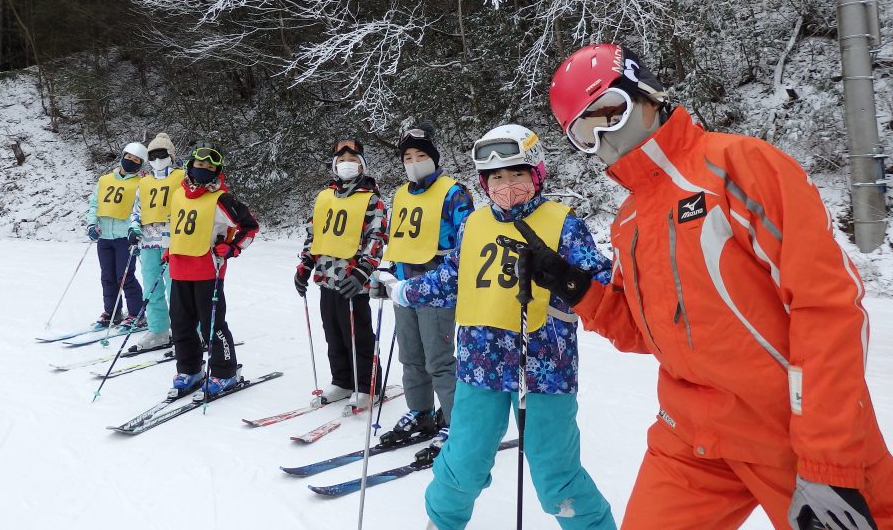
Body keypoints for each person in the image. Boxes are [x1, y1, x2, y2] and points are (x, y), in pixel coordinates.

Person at [533, 43, 893, 529]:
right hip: (690, 440)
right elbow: (648, 331)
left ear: (646, 94)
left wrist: (829, 457)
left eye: (610, 113)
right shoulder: (629, 219)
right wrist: (578, 289)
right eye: (583, 132)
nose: (603, 138)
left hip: (789, 433)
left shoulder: (738, 166)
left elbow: (827, 306)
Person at [378, 125, 616, 530]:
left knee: (555, 473)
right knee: (464, 462)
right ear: (484, 182)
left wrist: (564, 277)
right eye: (497, 177)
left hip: (544, 370)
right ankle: (442, 522)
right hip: (479, 365)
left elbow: (604, 288)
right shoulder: (474, 224)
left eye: (517, 174)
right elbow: (449, 279)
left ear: (536, 174)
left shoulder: (564, 224)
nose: (507, 185)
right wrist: (401, 291)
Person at [377, 122, 473, 465]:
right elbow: (397, 238)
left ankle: (455, 422)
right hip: (404, 288)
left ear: (433, 157)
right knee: (411, 358)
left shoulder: (454, 193)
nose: (414, 162)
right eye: (407, 157)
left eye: (420, 156)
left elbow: (468, 241)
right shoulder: (401, 193)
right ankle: (420, 412)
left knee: (440, 361)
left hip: (438, 289)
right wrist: (386, 270)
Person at [295, 137, 386, 406]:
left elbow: (377, 237)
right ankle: (342, 380)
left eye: (353, 161)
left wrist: (363, 272)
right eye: (342, 161)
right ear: (334, 165)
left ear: (362, 166)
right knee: (333, 331)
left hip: (352, 278)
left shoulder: (371, 199)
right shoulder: (324, 197)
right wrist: (305, 265)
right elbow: (314, 234)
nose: (348, 165)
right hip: (326, 276)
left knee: (357, 333)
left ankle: (368, 386)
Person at [164, 145, 259, 396]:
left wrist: (233, 247)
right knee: (181, 324)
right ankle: (190, 369)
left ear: (217, 171)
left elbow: (250, 227)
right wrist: (169, 248)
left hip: (208, 270)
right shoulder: (178, 194)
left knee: (212, 325)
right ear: (190, 166)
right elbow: (174, 225)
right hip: (179, 269)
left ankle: (224, 372)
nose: (203, 170)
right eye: (199, 165)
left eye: (209, 168)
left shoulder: (222, 199)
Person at [126, 132, 183, 351]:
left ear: (171, 155)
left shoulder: (182, 177)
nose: (158, 159)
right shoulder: (145, 182)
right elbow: (136, 210)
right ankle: (158, 329)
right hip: (148, 242)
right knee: (151, 288)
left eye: (162, 154)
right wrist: (133, 228)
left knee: (177, 289)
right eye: (153, 155)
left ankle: (188, 331)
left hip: (174, 242)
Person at [86, 142, 147, 327]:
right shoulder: (105, 180)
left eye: (136, 160)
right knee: (107, 277)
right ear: (122, 157)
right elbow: (94, 204)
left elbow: (141, 210)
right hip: (104, 236)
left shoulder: (141, 183)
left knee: (125, 276)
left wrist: (136, 235)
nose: (130, 161)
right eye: (128, 157)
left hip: (124, 238)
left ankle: (137, 314)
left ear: (140, 164)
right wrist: (91, 224)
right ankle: (112, 312)